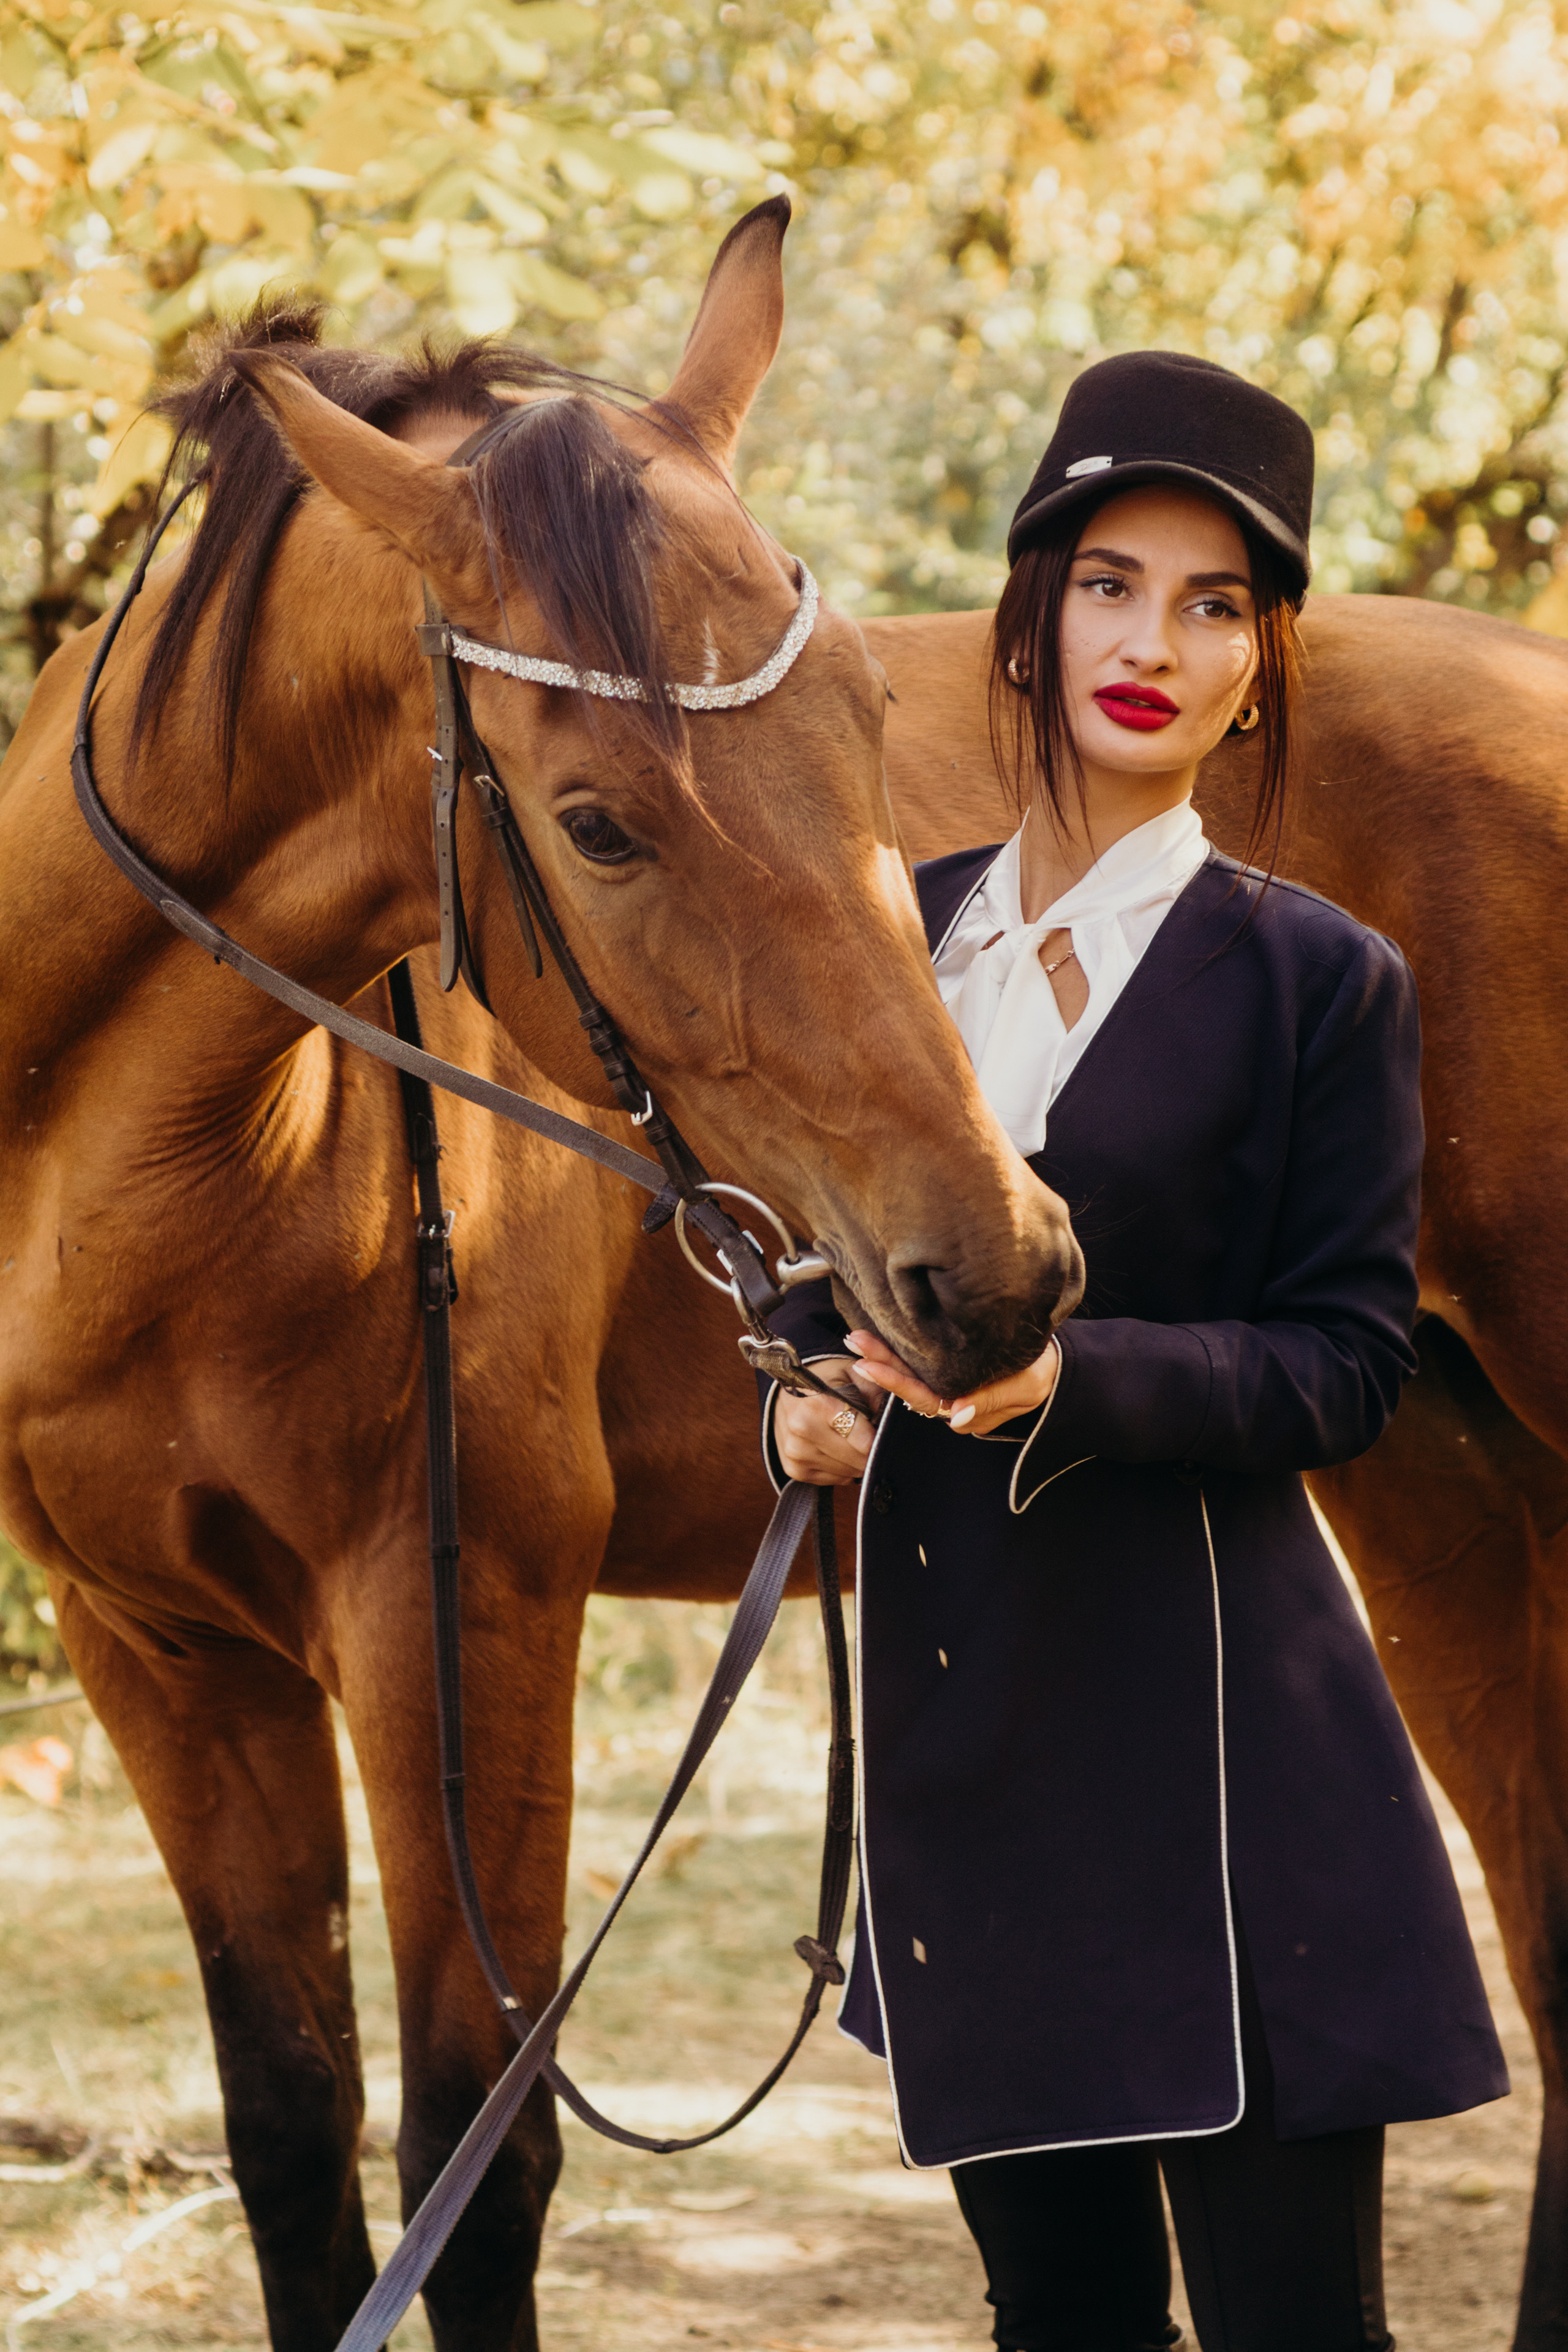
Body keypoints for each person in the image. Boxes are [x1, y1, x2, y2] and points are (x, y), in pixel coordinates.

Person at [760, 350, 1507, 2352]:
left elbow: (1347, 1366)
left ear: (1264, 660)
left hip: (1235, 1785)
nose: (1151, 642)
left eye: (1214, 604)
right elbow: (825, 1287)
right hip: (971, 1764)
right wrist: (810, 1402)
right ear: (1031, 615)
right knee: (1061, 2329)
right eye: (1108, 582)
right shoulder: (893, 947)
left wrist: (1072, 1385)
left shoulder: (1320, 982)